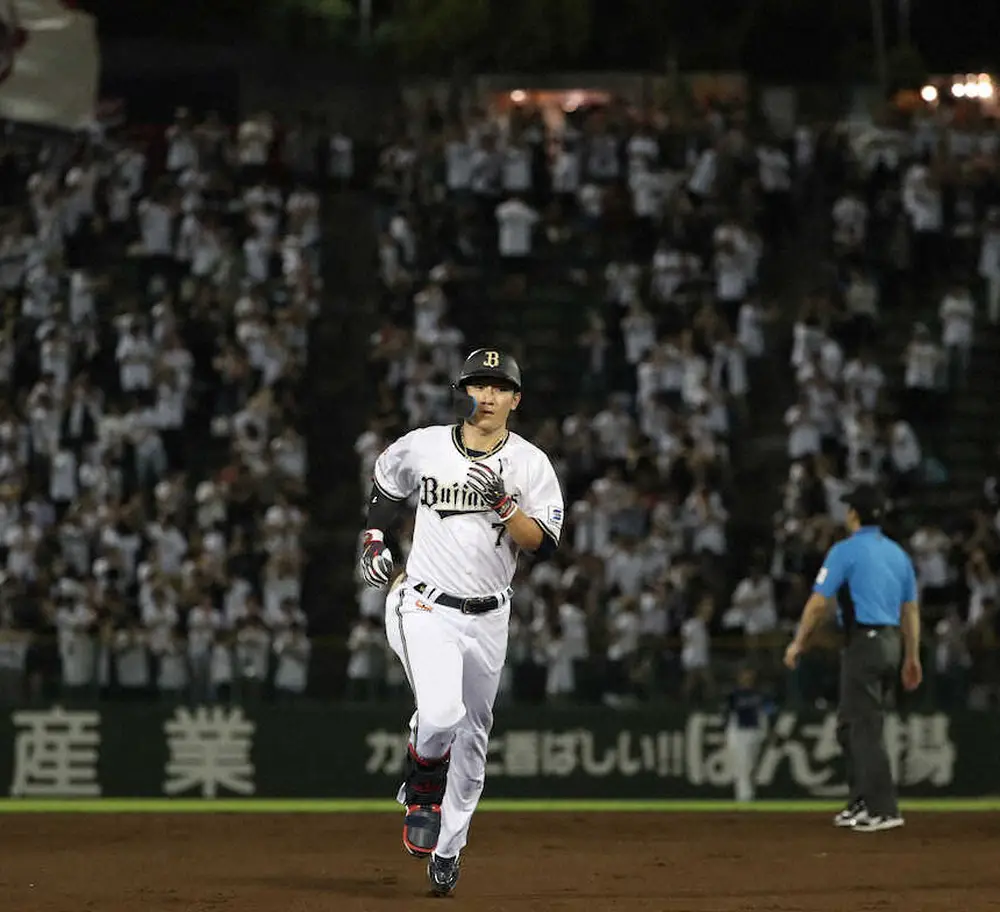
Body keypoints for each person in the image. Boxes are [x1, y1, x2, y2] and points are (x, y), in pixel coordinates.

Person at [358, 348, 564, 896]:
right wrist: (375, 536)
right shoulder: (426, 445)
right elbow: (386, 479)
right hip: (423, 603)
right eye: (478, 385)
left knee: (473, 745)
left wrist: (504, 506)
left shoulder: (530, 464)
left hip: (490, 615)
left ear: (515, 399)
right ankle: (423, 782)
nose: (488, 395)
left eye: (499, 387)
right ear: (464, 392)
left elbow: (540, 541)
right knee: (443, 713)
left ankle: (448, 851)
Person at [783, 484, 922, 832]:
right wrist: (912, 655)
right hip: (889, 643)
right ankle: (861, 801)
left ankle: (884, 809)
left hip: (865, 642)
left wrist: (798, 642)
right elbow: (911, 610)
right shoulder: (897, 554)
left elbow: (818, 602)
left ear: (854, 514)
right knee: (849, 725)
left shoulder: (845, 551)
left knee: (864, 727)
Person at [724, 666, 774, 803]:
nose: (747, 677)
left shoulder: (760, 694)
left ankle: (747, 795)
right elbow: (727, 715)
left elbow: (768, 712)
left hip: (755, 732)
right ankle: (744, 798)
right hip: (738, 732)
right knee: (742, 766)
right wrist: (725, 734)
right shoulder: (733, 694)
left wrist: (769, 731)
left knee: (751, 766)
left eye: (749, 674)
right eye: (744, 674)